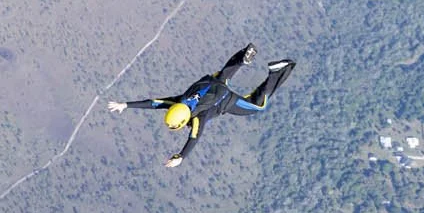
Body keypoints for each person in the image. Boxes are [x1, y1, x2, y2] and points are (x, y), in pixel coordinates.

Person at [109, 44, 294, 168]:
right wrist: (125, 104)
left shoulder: (199, 117)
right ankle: (241, 58)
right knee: (224, 74)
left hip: (226, 100)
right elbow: (154, 103)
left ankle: (278, 71)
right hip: (213, 83)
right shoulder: (179, 101)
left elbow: (194, 138)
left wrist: (181, 157)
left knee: (257, 105)